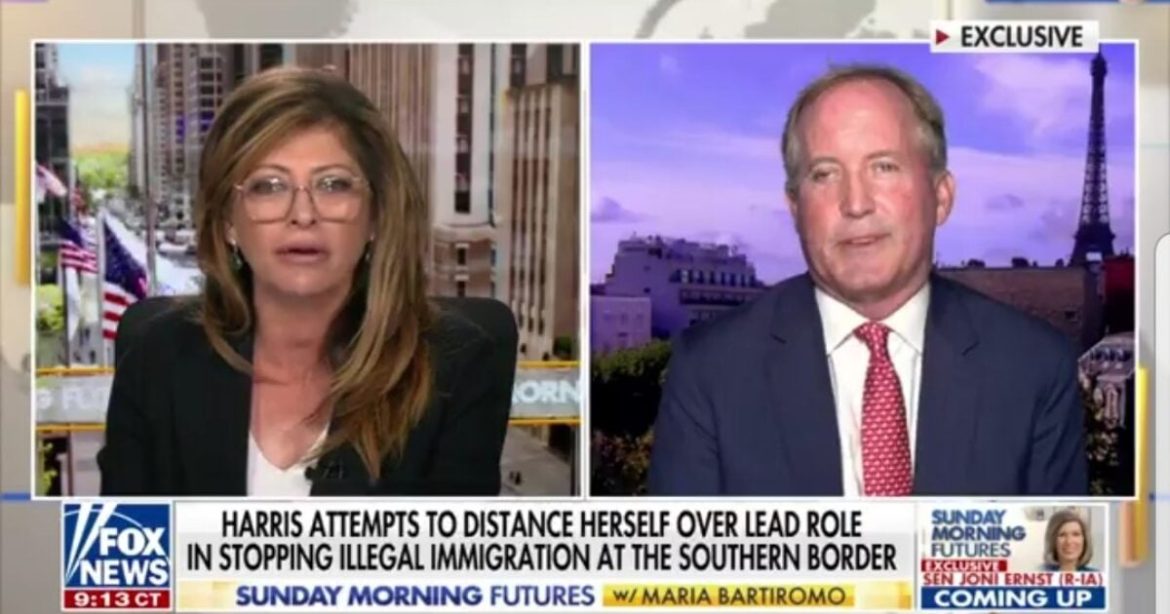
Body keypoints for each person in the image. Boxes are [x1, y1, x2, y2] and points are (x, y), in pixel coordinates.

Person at [648, 64, 1087, 496]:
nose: (855, 203)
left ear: (941, 197)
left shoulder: (1033, 367)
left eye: (884, 167)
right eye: (825, 174)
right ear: (796, 208)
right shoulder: (710, 371)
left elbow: (1056, 542)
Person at [98, 67, 517, 496]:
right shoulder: (157, 361)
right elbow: (124, 537)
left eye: (333, 185)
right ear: (227, 221)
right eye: (269, 186)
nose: (303, 215)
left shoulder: (452, 371)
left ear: (375, 214)